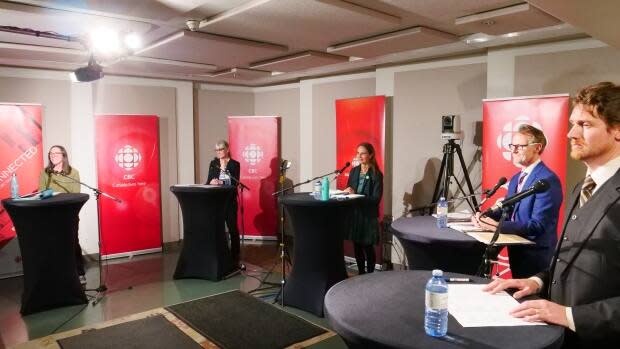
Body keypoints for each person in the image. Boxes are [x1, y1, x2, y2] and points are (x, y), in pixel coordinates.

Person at [483, 82, 620, 348]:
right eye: (572, 123)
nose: (571, 133)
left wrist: (570, 315)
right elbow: (569, 258)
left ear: (617, 131)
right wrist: (537, 281)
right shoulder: (580, 188)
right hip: (559, 338)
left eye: (586, 125)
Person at [473, 124, 563, 278]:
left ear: (537, 148)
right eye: (512, 145)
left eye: (519, 146)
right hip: (517, 252)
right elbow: (507, 209)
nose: (513, 150)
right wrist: (483, 217)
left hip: (536, 257)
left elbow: (538, 225)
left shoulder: (547, 180)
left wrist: (499, 226)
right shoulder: (515, 179)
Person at [38, 145, 85, 284]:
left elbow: (75, 193)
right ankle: (58, 274)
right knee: (53, 245)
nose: (53, 156)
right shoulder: (46, 172)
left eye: (56, 153)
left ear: (63, 155)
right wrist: (49, 195)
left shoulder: (73, 172)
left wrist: (55, 194)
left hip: (69, 215)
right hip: (50, 215)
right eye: (51, 153)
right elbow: (42, 192)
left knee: (72, 243)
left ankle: (80, 273)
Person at [344, 142, 383, 274]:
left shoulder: (376, 174)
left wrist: (358, 196)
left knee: (367, 246)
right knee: (357, 246)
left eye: (363, 153)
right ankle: (361, 273)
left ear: (371, 155)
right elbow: (350, 189)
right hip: (355, 214)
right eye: (357, 153)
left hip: (368, 215)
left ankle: (370, 275)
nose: (359, 156)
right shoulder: (354, 171)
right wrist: (348, 191)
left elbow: (376, 199)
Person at [206, 140, 242, 268]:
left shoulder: (234, 164)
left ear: (227, 149)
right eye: (216, 150)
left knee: (232, 228)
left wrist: (222, 183)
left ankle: (235, 255)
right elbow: (208, 181)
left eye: (221, 149)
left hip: (230, 201)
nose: (219, 152)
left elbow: (235, 183)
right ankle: (220, 254)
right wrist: (212, 182)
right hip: (216, 202)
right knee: (218, 229)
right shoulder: (213, 163)